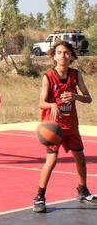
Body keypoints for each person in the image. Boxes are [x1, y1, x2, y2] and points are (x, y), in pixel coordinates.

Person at [32, 41, 96, 213]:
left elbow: (88, 98)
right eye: (59, 52)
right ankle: (39, 197)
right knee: (51, 161)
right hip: (54, 127)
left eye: (66, 53)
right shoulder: (48, 76)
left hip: (71, 125)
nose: (63, 56)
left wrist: (76, 96)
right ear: (54, 56)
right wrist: (52, 105)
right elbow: (41, 103)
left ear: (72, 56)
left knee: (80, 159)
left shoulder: (75, 75)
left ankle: (82, 191)